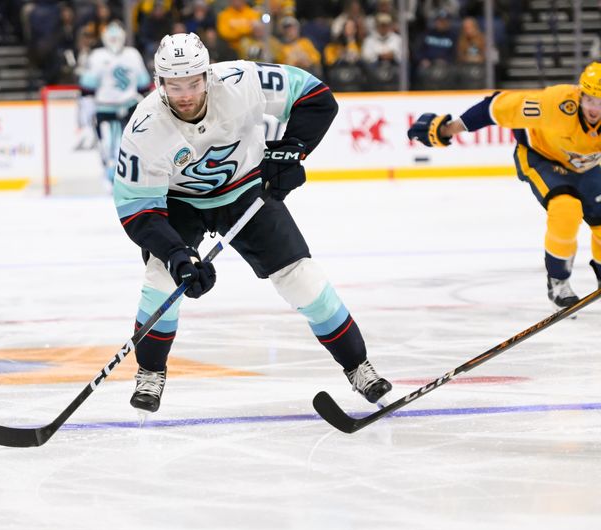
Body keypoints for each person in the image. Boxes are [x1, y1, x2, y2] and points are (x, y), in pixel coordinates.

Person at [113, 32, 392, 413]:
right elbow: (138, 210)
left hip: (246, 189)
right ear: (159, 83)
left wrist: (294, 150)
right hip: (181, 203)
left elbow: (316, 97)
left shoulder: (241, 81)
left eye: (193, 82)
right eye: (174, 85)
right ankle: (149, 372)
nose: (186, 95)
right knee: (161, 279)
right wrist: (178, 255)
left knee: (302, 278)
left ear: (207, 75)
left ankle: (358, 366)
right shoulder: (144, 130)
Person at [408, 61, 601, 310]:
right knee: (566, 209)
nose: (594, 108)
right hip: (541, 156)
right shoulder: (555, 103)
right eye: (589, 100)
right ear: (579, 94)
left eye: (600, 101)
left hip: (585, 166)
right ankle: (559, 282)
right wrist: (447, 129)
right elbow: (495, 107)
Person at [79, 21, 151, 185]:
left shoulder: (130, 54)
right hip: (106, 110)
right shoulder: (100, 56)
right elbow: (87, 90)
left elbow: (144, 86)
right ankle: (112, 177)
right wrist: (87, 114)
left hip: (129, 108)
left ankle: (125, 178)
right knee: (107, 148)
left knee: (131, 148)